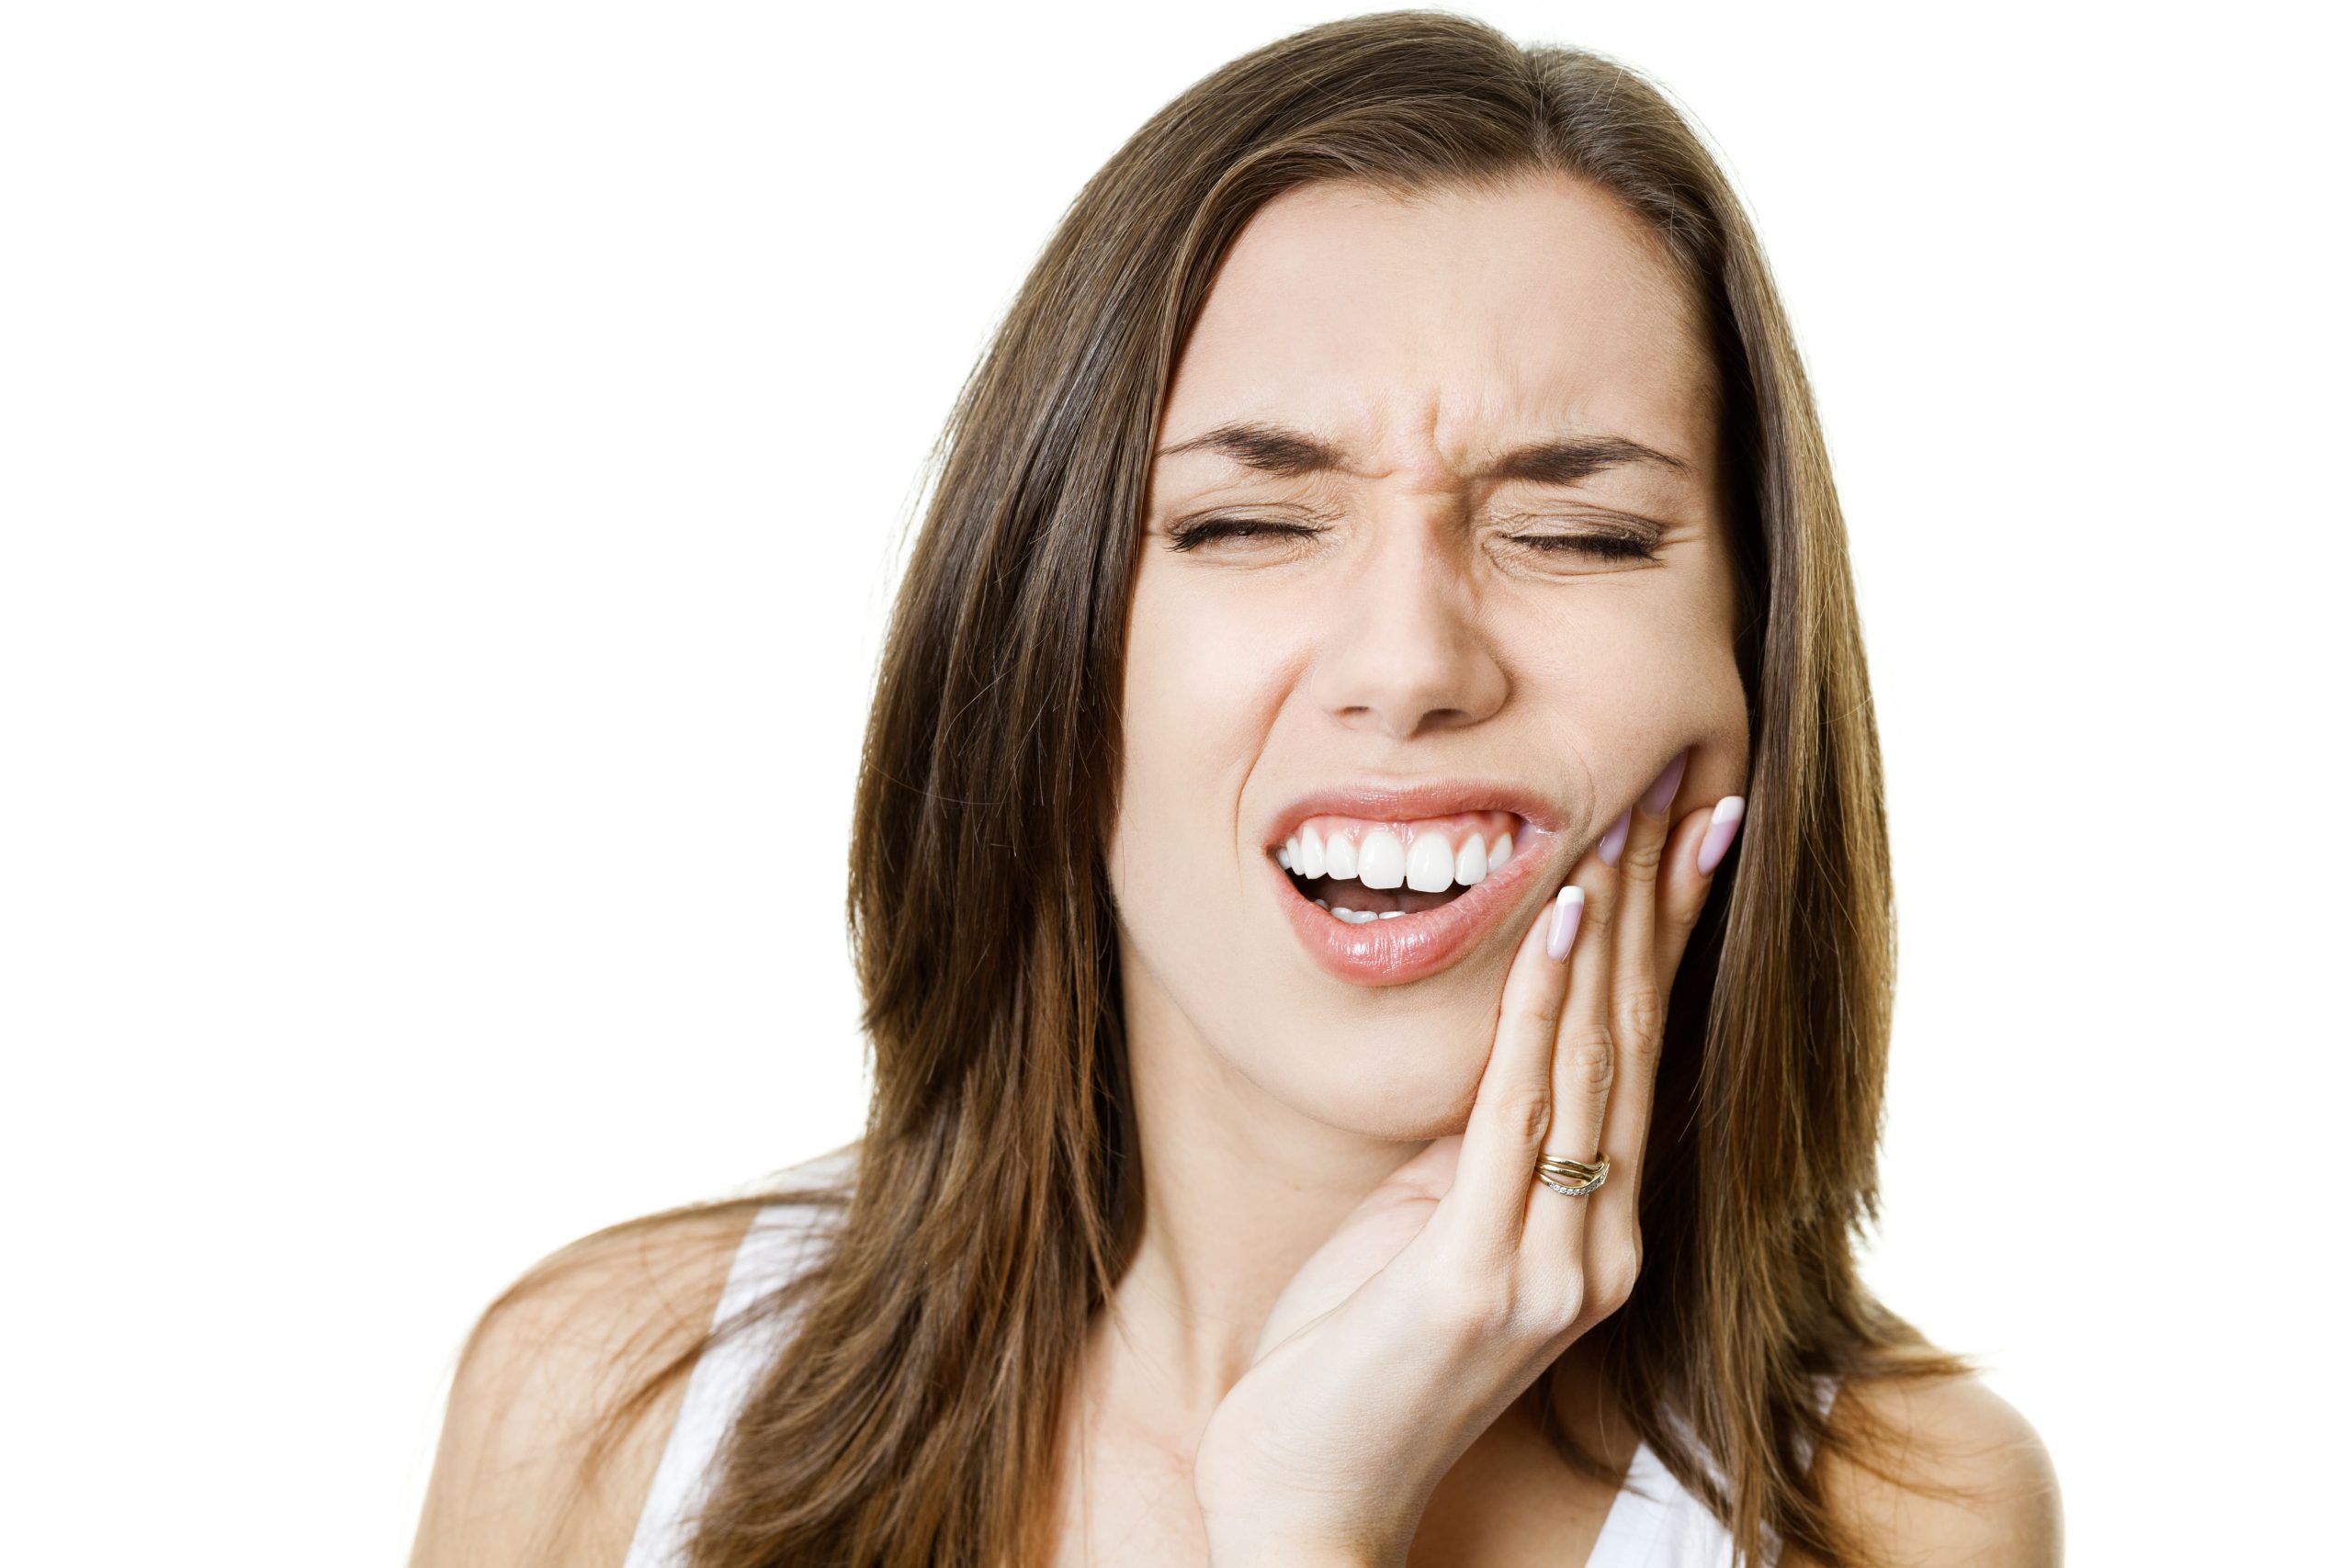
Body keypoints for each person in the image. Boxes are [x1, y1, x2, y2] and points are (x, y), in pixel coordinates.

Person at [408, 12, 2063, 1566]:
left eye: (1578, 534)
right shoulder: (609, 1397)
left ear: (1751, 671)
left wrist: (1303, 1515)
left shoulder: (1897, 1515)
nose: (1408, 663)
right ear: (1047, 647)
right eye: (1249, 524)